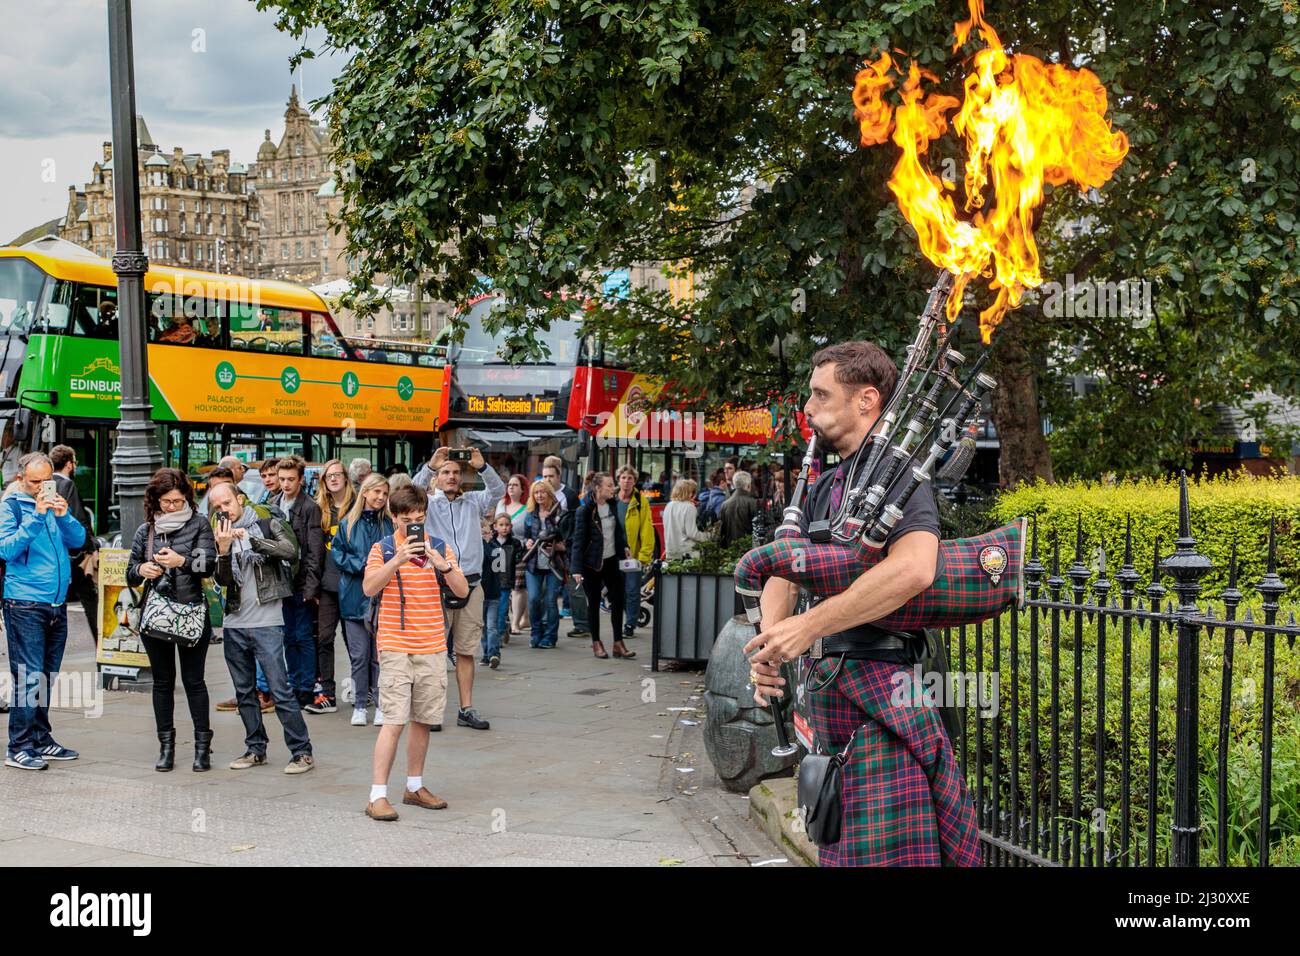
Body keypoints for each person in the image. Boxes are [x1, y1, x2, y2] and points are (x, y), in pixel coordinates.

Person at [746, 340, 979, 867]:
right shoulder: (823, 485)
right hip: (832, 711)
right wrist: (769, 646)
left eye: (820, 394)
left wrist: (810, 625)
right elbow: (786, 566)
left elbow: (915, 567)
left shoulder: (902, 480)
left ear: (867, 400)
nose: (807, 408)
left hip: (880, 696)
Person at [362, 485, 468, 821]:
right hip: (395, 645)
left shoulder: (439, 547)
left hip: (434, 645)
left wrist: (443, 566)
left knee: (424, 720)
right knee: (393, 720)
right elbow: (368, 587)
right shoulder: (382, 548)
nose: (414, 526)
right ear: (394, 517)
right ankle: (377, 795)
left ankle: (414, 786)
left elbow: (462, 591)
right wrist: (398, 559)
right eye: (407, 520)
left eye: (419, 519)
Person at [208, 481, 314, 774]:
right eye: (217, 507)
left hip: (267, 622)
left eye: (226, 504)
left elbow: (291, 551)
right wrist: (225, 551)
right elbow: (223, 582)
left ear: (239, 499)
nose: (223, 511)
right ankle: (256, 749)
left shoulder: (267, 523)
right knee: (244, 692)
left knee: (280, 690)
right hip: (234, 623)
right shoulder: (219, 535)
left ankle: (301, 751)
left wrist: (252, 540)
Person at [125, 468, 218, 772]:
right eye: (166, 501)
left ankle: (203, 749)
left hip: (191, 612)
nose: (172, 507)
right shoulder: (146, 530)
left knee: (194, 682)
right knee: (162, 683)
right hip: (158, 616)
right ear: (155, 499)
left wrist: (182, 562)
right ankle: (166, 747)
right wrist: (142, 571)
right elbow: (131, 571)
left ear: (187, 498)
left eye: (178, 501)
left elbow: (209, 565)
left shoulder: (199, 524)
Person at [0, 452, 86, 770]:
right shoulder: (11, 506)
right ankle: (18, 746)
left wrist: (63, 515)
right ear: (21, 478)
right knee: (28, 677)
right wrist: (37, 515)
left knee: (46, 677)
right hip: (24, 603)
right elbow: (5, 548)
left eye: (46, 481)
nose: (41, 487)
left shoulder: (54, 504)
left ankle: (40, 739)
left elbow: (79, 542)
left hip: (55, 604)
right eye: (35, 482)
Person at [411, 447, 503, 730]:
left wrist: (483, 466)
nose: (450, 477)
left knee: (466, 651)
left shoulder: (474, 501)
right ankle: (431, 711)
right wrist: (430, 465)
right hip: (437, 585)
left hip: (472, 584)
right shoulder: (427, 504)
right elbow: (408, 493)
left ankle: (466, 709)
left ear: (462, 476)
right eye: (445, 473)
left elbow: (498, 492)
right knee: (435, 651)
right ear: (437, 478)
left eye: (455, 472)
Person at [332, 474, 392, 726]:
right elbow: (337, 552)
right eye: (376, 492)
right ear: (365, 492)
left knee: (379, 656)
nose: (380, 497)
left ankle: (380, 704)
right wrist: (362, 565)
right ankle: (359, 704)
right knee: (359, 655)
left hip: (383, 597)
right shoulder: (348, 522)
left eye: (384, 493)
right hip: (354, 595)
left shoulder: (389, 523)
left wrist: (379, 567)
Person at [268, 456, 324, 708]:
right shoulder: (272, 503)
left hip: (301, 581)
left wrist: (311, 587)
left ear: (301, 479)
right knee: (288, 635)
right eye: (282, 479)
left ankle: (306, 686)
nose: (286, 484)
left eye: (291, 479)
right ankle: (293, 682)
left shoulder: (310, 507)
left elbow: (314, 551)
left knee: (302, 635)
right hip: (279, 580)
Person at [305, 459, 353, 714]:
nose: (333, 479)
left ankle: (363, 687)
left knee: (355, 641)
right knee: (324, 638)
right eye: (328, 476)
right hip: (327, 585)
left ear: (346, 477)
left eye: (337, 474)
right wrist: (313, 586)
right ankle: (327, 693)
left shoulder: (357, 506)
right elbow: (314, 552)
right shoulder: (318, 509)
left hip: (353, 584)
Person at [571, 472, 635, 660]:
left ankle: (618, 643)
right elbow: (578, 541)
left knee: (618, 599)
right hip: (592, 563)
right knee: (594, 603)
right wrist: (576, 569)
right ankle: (596, 643)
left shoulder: (613, 505)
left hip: (611, 560)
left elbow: (618, 530)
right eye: (608, 485)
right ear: (597, 488)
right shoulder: (585, 511)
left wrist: (624, 546)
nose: (612, 488)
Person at [50, 444, 99, 638]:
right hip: (74, 554)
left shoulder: (46, 484)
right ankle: (100, 644)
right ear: (69, 464)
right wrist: (91, 547)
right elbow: (79, 519)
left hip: (56, 552)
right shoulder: (67, 485)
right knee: (89, 598)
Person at [521, 480, 564, 648]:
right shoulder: (530, 514)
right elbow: (525, 536)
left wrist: (560, 546)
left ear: (549, 494)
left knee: (550, 600)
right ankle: (536, 632)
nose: (539, 495)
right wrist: (527, 542)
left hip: (554, 563)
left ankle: (550, 636)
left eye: (542, 492)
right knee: (533, 599)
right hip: (533, 563)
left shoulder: (559, 513)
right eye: (536, 493)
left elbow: (568, 538)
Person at [614, 466, 655, 640]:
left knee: (632, 590)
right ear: (618, 479)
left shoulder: (640, 501)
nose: (626, 481)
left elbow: (647, 528)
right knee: (617, 591)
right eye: (623, 477)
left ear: (635, 481)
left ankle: (630, 623)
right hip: (612, 554)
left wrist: (644, 555)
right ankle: (626, 617)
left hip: (633, 556)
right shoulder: (611, 500)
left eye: (630, 478)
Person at [481, 514, 521, 669]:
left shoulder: (494, 547)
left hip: (494, 593)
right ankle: (486, 654)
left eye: (487, 533)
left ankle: (494, 653)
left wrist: (486, 543)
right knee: (483, 627)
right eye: (481, 533)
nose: (485, 536)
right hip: (480, 594)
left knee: (492, 625)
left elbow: (497, 564)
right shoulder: (475, 548)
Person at [495, 473, 531, 634]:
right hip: (500, 551)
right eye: (509, 484)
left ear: (522, 489)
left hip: (518, 551)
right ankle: (504, 620)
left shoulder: (527, 509)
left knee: (517, 588)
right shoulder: (501, 504)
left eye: (515, 485)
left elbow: (529, 531)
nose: (511, 487)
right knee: (500, 587)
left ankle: (516, 622)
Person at [662, 479, 710, 560]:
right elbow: (692, 533)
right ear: (690, 493)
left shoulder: (668, 506)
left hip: (671, 552)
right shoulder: (689, 507)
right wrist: (708, 536)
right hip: (687, 554)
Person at [719, 469, 759, 547]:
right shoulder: (753, 503)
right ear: (748, 485)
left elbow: (722, 531)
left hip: (729, 549)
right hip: (748, 549)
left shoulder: (725, 504)